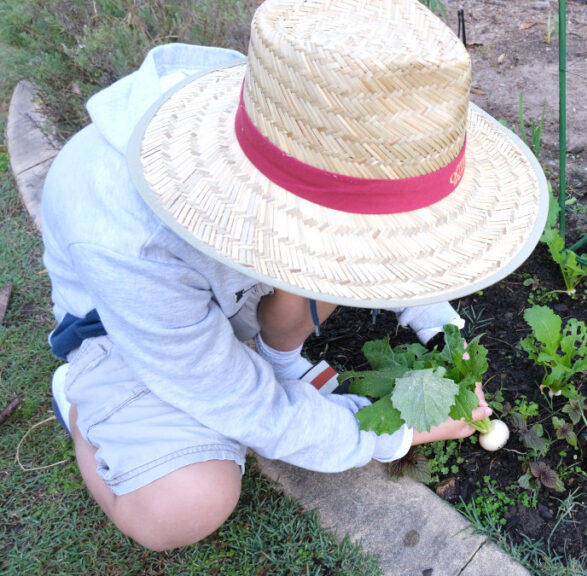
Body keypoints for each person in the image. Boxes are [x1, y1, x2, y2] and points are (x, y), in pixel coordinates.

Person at [41, 0, 548, 551]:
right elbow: (251, 411)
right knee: (186, 504)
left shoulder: (311, 118)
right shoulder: (132, 239)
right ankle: (79, 398)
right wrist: (399, 430)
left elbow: (387, 241)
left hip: (232, 290)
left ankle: (276, 362)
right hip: (124, 330)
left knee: (340, 265)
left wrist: (444, 334)